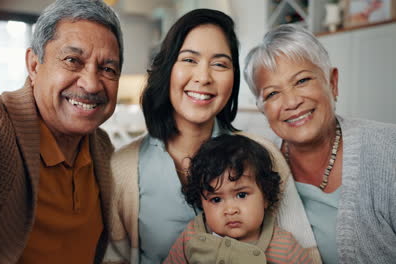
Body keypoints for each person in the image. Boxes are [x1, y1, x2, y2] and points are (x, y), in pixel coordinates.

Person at [102, 9, 316, 264]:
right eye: (189, 60)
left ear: (233, 79)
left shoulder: (264, 155)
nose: (203, 77)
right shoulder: (122, 169)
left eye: (219, 64)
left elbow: (305, 253)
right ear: (167, 68)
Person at [0, 0, 123, 263]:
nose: (90, 84)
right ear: (34, 65)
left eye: (108, 69)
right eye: (72, 61)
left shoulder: (102, 149)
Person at [243, 24, 396, 263]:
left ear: (332, 83)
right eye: (273, 94)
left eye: (302, 80)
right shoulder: (255, 168)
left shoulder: (389, 150)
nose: (291, 102)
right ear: (263, 109)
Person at [164, 134, 312, 264]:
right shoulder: (193, 235)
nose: (230, 210)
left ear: (265, 196)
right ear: (201, 203)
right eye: (216, 199)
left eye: (241, 195)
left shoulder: (284, 247)